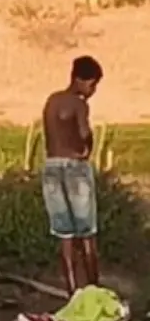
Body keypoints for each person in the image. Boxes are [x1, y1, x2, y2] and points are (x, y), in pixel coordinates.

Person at [41, 55, 103, 295]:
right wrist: (88, 147)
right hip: (74, 167)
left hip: (51, 168)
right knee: (87, 231)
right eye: (92, 84)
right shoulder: (79, 104)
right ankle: (95, 291)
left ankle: (72, 293)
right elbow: (83, 132)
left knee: (64, 234)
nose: (92, 90)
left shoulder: (52, 101)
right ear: (79, 79)